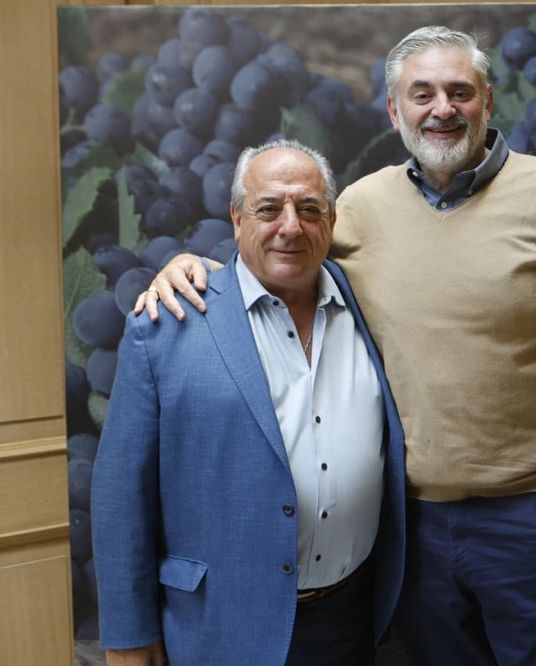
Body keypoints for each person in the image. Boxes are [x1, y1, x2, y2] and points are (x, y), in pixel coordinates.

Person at [139, 26, 536, 666]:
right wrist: (192, 268)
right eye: (423, 93)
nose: (442, 108)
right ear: (395, 110)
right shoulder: (360, 205)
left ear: (487, 102)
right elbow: (280, 251)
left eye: (459, 91)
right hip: (411, 537)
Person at [92, 140, 406, 666]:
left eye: (309, 208)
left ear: (330, 221)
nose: (290, 226)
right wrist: (127, 635)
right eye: (268, 208)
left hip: (349, 621)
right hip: (221, 627)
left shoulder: (366, 303)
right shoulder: (168, 325)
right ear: (236, 218)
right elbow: (122, 492)